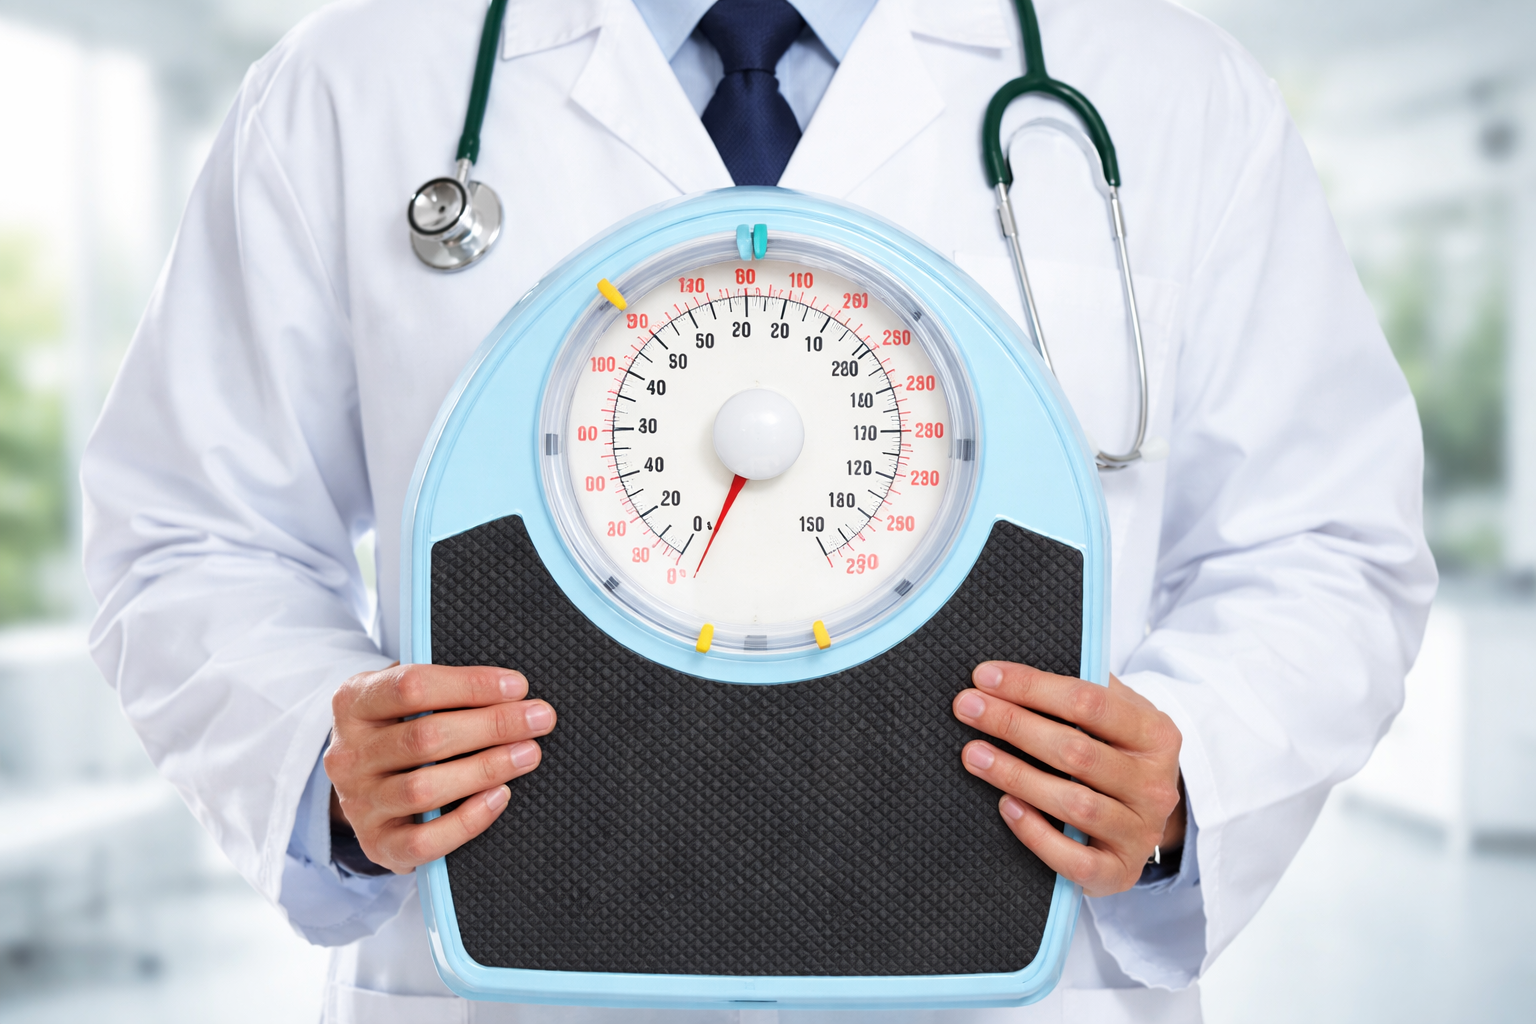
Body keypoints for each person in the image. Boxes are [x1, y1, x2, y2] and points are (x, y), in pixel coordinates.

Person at [80, 0, 1436, 1021]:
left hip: (1026, 969)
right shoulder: (359, 81)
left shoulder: (1164, 84)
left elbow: (1320, 538)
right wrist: (324, 764)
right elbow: (194, 531)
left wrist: (1190, 774)